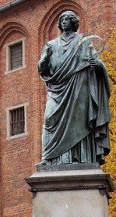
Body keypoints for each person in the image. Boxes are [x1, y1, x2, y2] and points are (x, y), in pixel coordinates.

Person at [37, 10, 110, 166]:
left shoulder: (83, 41)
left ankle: (81, 157)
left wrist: (98, 65)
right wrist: (46, 57)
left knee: (80, 123)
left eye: (68, 18)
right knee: (49, 119)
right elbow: (42, 69)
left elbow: (96, 61)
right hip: (58, 89)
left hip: (79, 86)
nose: (64, 21)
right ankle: (48, 158)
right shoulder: (51, 45)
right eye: (62, 19)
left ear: (73, 22)